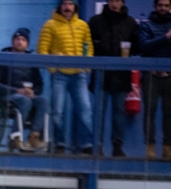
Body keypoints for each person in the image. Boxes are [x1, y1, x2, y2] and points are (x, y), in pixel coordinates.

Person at [38, 0, 95, 154]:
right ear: (60, 6)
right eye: (64, 4)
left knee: (85, 110)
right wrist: (53, 69)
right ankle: (60, 143)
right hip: (60, 75)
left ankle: (87, 144)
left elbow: (88, 46)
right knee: (57, 111)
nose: (67, 7)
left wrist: (86, 66)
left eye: (70, 4)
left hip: (79, 75)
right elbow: (42, 50)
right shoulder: (50, 25)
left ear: (75, 7)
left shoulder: (83, 25)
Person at [89, 0, 140, 158]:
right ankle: (97, 147)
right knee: (99, 113)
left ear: (122, 3)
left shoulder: (130, 22)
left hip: (121, 75)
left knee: (119, 113)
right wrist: (100, 46)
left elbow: (137, 47)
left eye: (118, 0)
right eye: (112, 0)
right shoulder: (96, 21)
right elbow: (89, 45)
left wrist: (129, 48)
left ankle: (117, 146)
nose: (114, 3)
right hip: (101, 75)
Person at [0, 28, 50, 151]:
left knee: (43, 101)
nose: (20, 42)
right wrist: (17, 90)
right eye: (17, 39)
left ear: (27, 43)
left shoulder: (31, 61)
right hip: (6, 94)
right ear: (12, 41)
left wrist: (34, 92)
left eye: (23, 40)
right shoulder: (2, 57)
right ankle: (15, 137)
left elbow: (39, 84)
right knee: (25, 101)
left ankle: (34, 135)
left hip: (26, 95)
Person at [139, 0, 171, 160]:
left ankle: (168, 148)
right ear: (154, 7)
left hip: (169, 77)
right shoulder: (146, 24)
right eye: (160, 5)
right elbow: (143, 46)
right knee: (149, 114)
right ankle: (150, 148)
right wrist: (166, 37)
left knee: (169, 114)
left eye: (166, 6)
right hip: (151, 76)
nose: (163, 8)